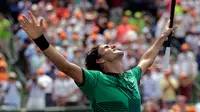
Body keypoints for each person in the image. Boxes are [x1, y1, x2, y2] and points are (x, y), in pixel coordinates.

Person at [19, 11, 177, 112]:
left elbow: (147, 59)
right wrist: (40, 39)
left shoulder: (131, 76)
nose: (113, 45)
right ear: (100, 60)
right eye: (107, 47)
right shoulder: (95, 80)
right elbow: (65, 66)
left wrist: (162, 36)